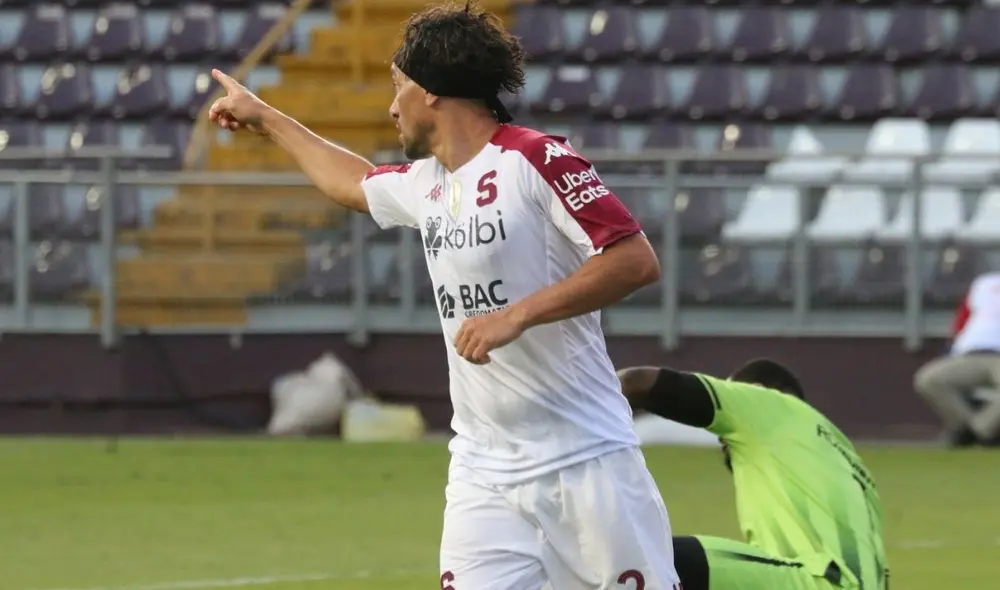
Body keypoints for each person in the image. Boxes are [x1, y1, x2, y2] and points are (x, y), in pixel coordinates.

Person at [208, 2, 681, 588]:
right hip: (482, 468)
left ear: (431, 91)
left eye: (398, 86)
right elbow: (351, 182)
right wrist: (266, 118)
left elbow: (634, 259)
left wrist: (519, 316)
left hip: (583, 461)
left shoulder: (537, 159)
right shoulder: (427, 184)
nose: (391, 105)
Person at [617, 359, 888, 590]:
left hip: (820, 582)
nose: (722, 438)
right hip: (820, 579)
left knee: (644, 560)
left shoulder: (770, 404)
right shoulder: (849, 462)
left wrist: (583, 403)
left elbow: (638, 381)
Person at [914, 270, 1000, 447]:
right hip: (970, 353)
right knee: (929, 379)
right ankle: (971, 430)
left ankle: (980, 433)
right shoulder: (983, 283)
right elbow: (963, 319)